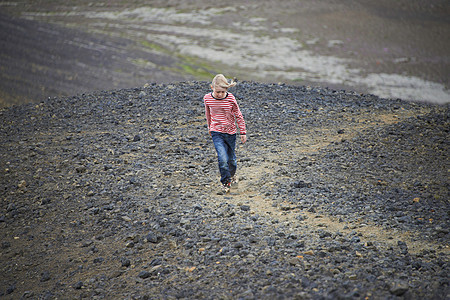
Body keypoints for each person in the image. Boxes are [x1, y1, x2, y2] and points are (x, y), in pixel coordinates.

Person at [204, 74, 247, 194]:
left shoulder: (230, 98)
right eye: (217, 91)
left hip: (231, 132)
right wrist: (209, 127)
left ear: (226, 90)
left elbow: (238, 115)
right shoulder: (207, 98)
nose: (220, 94)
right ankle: (225, 182)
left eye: (223, 91)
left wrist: (242, 132)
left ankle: (232, 176)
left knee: (231, 159)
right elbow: (208, 114)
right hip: (216, 132)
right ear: (212, 87)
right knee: (222, 158)